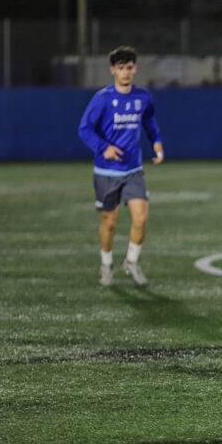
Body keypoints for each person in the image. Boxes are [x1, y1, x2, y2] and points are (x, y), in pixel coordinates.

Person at [78, 46, 164, 287]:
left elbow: (149, 121)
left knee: (141, 218)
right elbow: (84, 129)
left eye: (129, 68)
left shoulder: (143, 97)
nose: (125, 73)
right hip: (106, 171)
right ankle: (106, 263)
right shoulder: (102, 99)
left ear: (134, 69)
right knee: (110, 222)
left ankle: (132, 261)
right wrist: (103, 147)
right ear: (112, 70)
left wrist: (157, 142)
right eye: (120, 68)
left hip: (133, 170)